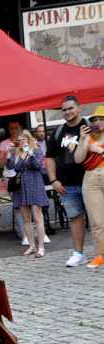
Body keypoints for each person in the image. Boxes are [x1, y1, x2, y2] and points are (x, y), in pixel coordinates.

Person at [47, 96, 92, 267]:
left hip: (91, 180)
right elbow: (50, 158)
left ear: (79, 108)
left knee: (98, 217)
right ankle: (79, 253)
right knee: (75, 218)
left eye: (70, 108)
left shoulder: (90, 126)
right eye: (64, 109)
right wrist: (54, 180)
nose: (67, 112)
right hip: (67, 184)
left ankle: (99, 251)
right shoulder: (58, 132)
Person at [6, 130, 49, 257]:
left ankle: (41, 247)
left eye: (23, 139)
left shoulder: (37, 151)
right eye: (19, 139)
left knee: (37, 217)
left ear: (29, 139)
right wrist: (9, 152)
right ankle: (32, 246)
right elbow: (9, 167)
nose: (21, 142)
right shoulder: (16, 153)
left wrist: (29, 152)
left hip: (34, 184)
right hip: (21, 186)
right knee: (26, 218)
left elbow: (37, 165)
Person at [73, 106, 104, 268]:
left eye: (101, 119)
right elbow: (79, 159)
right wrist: (83, 138)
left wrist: (100, 150)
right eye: (95, 120)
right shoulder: (89, 136)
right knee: (96, 219)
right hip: (91, 178)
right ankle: (100, 254)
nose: (98, 122)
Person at [0, 119, 33, 246]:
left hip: (26, 176)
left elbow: (34, 158)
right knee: (18, 207)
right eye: (11, 128)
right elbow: (0, 164)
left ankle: (36, 233)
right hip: (11, 177)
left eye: (16, 128)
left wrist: (25, 147)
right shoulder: (4, 143)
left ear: (21, 127)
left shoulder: (26, 142)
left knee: (31, 205)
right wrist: (9, 152)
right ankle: (24, 235)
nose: (14, 131)